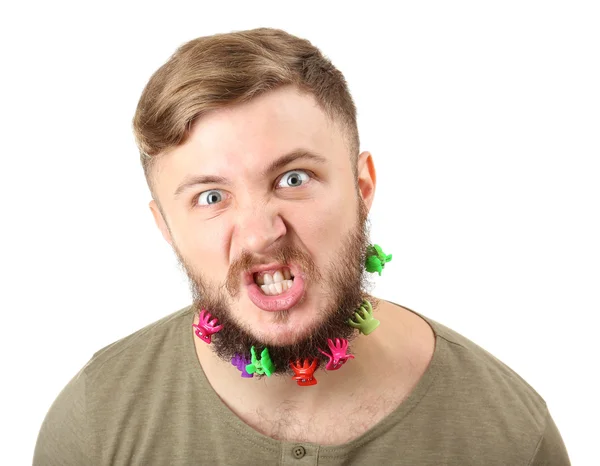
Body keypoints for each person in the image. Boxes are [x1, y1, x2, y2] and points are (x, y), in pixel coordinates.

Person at [33, 27, 570, 465]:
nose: (262, 232)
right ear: (166, 228)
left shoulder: (512, 436)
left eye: (294, 178)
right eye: (211, 196)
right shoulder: (95, 424)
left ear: (362, 188)